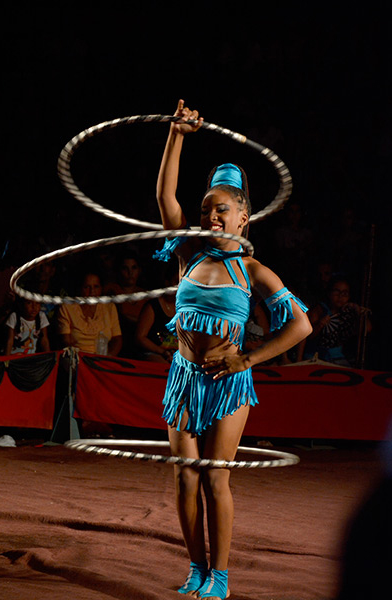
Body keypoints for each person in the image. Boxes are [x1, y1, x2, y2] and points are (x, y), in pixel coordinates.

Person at [154, 99, 312, 600]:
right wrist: (176, 135)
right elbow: (164, 197)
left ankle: (219, 577)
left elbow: (301, 326)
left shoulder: (254, 272)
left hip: (229, 386)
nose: (211, 217)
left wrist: (247, 358)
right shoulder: (185, 252)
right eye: (205, 211)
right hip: (184, 375)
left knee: (214, 480)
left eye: (221, 210)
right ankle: (196, 568)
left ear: (244, 216)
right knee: (185, 479)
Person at [304, 276, 371, 366]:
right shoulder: (320, 309)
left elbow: (367, 329)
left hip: (339, 358)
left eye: (345, 293)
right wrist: (320, 324)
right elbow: (308, 337)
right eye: (337, 291)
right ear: (329, 293)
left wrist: (357, 310)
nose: (340, 296)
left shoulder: (349, 312)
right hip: (316, 356)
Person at [57, 271, 122, 356]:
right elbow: (65, 342)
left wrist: (108, 357)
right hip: (78, 361)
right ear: (80, 288)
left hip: (103, 359)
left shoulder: (109, 307)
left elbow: (117, 339)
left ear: (101, 288)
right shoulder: (67, 307)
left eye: (96, 287)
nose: (92, 291)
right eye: (87, 287)